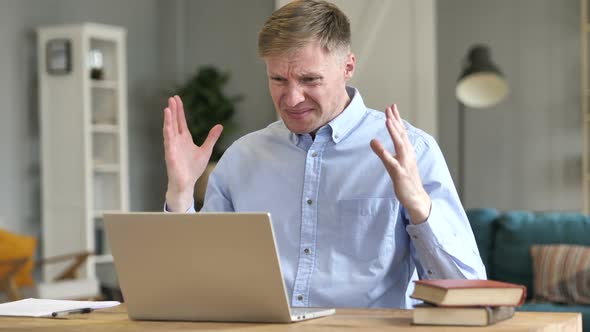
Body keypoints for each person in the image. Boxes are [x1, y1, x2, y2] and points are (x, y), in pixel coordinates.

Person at [162, 0, 486, 308]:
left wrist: (420, 208)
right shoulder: (242, 158)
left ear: (348, 67)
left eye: (309, 79)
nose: (292, 98)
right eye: (278, 79)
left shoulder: (412, 152)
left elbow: (468, 290)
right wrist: (181, 194)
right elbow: (195, 283)